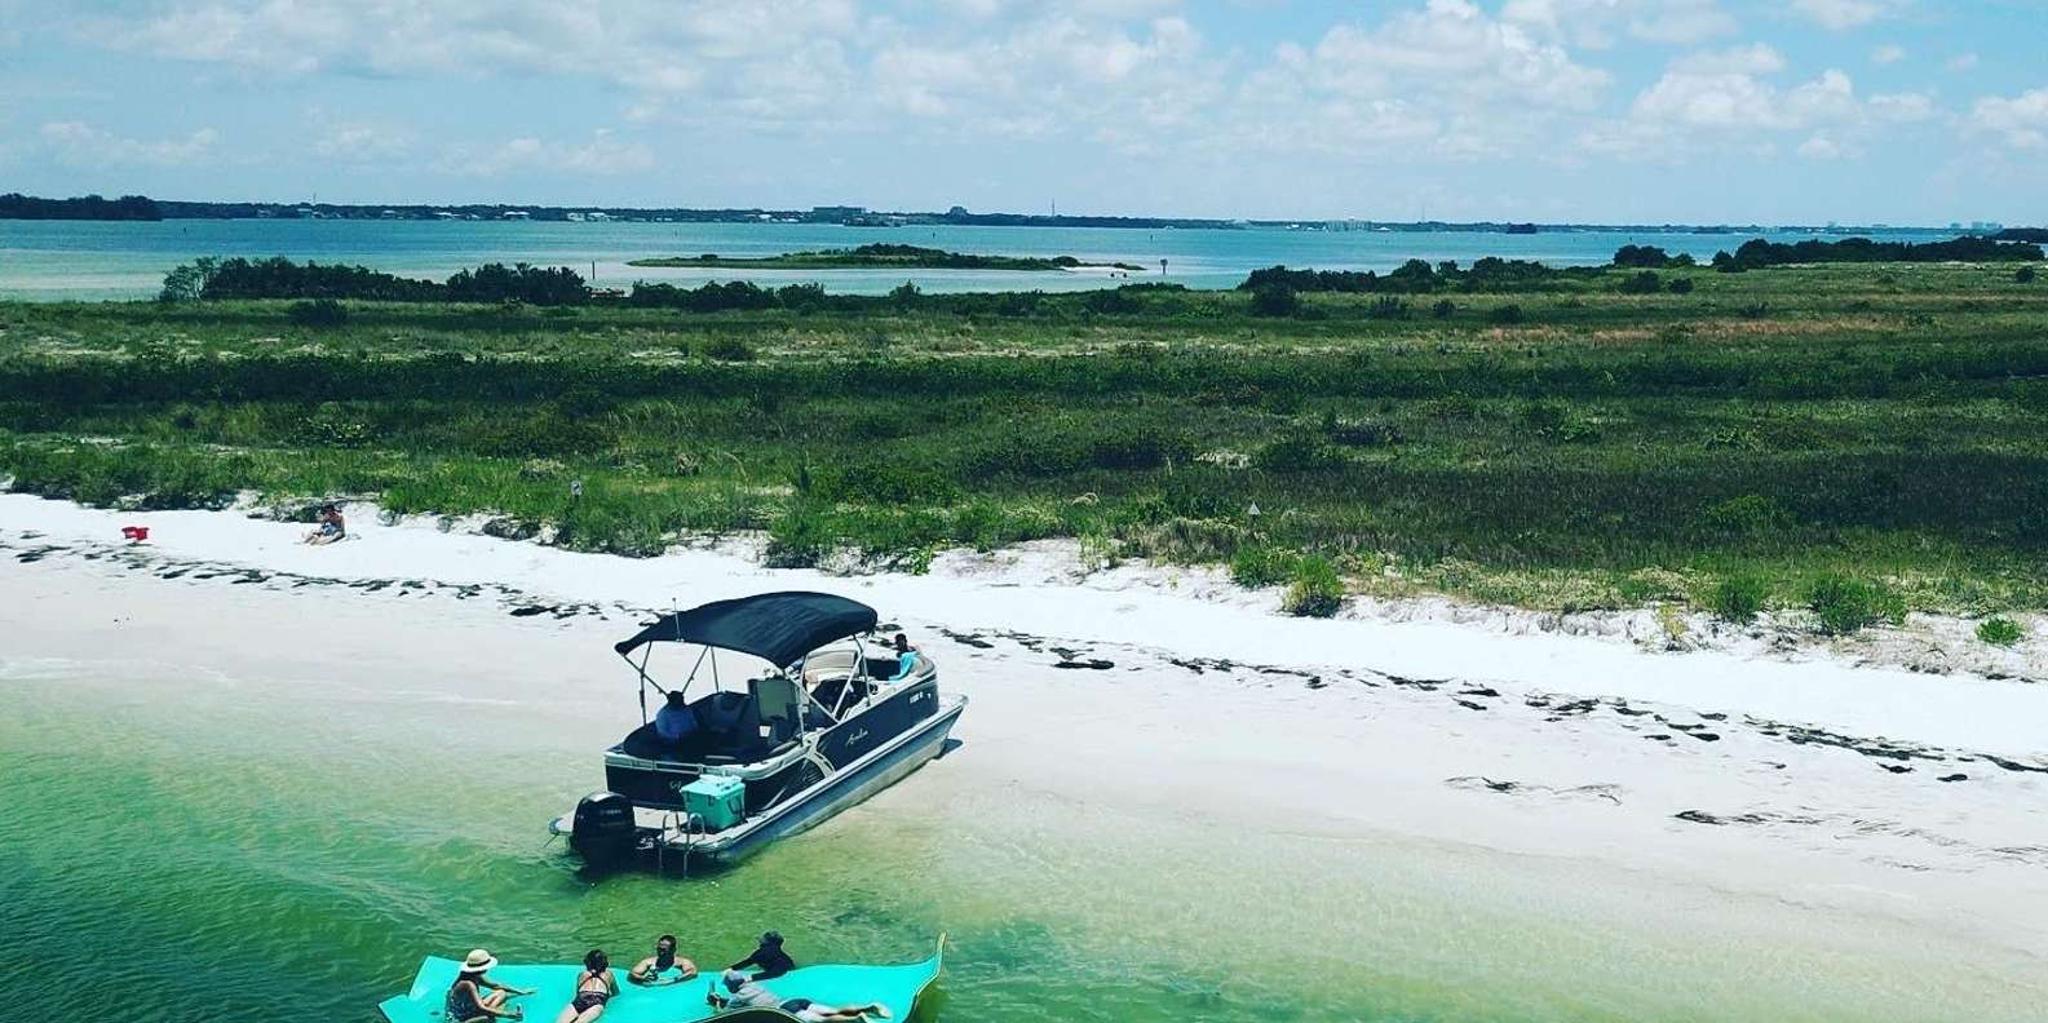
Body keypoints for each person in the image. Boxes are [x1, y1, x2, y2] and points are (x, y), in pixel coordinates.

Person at [708, 970, 890, 1022]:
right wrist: (722, 999)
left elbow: (722, 1014)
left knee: (822, 1021)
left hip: (786, 1010)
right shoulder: (753, 984)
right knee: (831, 1011)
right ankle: (868, 1008)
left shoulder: (739, 997)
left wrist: (716, 1003)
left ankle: (856, 1019)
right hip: (794, 1001)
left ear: (731, 986)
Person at [446, 948, 530, 1022]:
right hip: (461, 1015)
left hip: (470, 1007)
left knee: (501, 993)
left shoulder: (473, 975)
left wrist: (521, 992)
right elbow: (480, 1007)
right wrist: (509, 1015)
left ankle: (493, 1011)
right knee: (489, 1018)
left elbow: (496, 986)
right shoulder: (468, 984)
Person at [553, 949, 617, 1023]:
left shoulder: (582, 975)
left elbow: (577, 993)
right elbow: (615, 992)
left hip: (581, 1000)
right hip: (597, 1001)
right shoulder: (609, 974)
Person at [628, 934, 697, 986]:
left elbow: (692, 972)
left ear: (673, 950)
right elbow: (632, 974)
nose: (660, 952)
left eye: (664, 950)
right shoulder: (648, 962)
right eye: (659, 949)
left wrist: (673, 980)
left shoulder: (681, 962)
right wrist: (642, 978)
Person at [728, 931, 795, 980]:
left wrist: (752, 977)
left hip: (777, 972)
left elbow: (747, 962)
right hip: (789, 968)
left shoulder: (761, 953)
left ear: (766, 941)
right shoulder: (781, 953)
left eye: (763, 938)